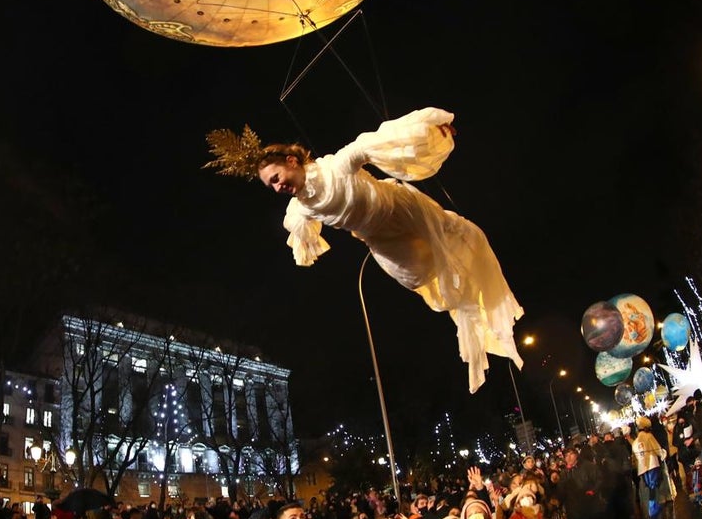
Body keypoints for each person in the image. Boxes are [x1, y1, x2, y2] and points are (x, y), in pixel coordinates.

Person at [206, 107, 524, 393]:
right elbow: (298, 231)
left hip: (401, 211)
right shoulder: (299, 209)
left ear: (291, 161)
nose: (278, 187)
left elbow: (385, 140)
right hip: (384, 242)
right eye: (271, 186)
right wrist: (304, 246)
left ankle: (486, 302)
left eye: (276, 178)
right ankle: (471, 309)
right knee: (424, 279)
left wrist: (432, 132)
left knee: (458, 237)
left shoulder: (338, 166)